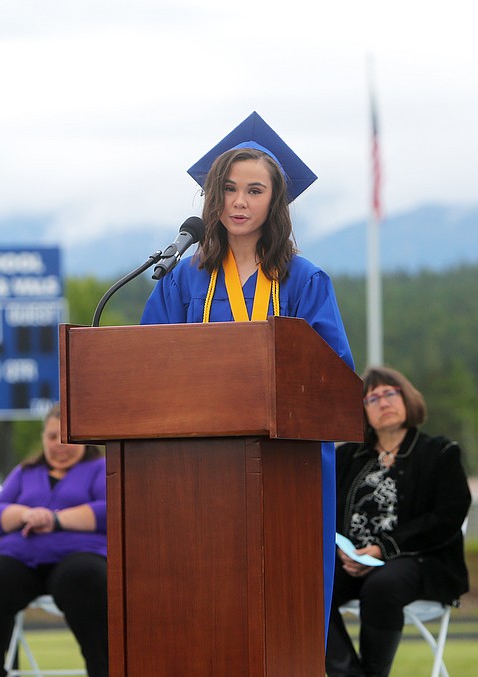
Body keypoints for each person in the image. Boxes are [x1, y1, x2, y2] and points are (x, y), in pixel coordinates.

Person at [140, 112, 355, 631]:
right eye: (229, 189)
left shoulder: (305, 280)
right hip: (196, 462)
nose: (239, 202)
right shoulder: (179, 277)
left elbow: (334, 376)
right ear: (212, 199)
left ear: (274, 202)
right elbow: (147, 362)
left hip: (287, 462)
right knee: (205, 590)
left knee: (285, 587)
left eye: (255, 190)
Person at [325, 366, 471, 677]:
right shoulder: (346, 459)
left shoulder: (440, 453)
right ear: (362, 411)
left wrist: (383, 549)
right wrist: (345, 551)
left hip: (420, 562)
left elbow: (447, 517)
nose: (382, 403)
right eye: (371, 398)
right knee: (305, 587)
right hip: (351, 561)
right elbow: (323, 511)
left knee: (383, 584)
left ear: (407, 398)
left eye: (390, 393)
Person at [0, 407, 108, 677]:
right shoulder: (25, 472)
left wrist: (55, 520)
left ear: (84, 439)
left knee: (85, 579)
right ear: (43, 437)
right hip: (22, 559)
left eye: (67, 438)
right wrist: (25, 514)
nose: (59, 445)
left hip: (79, 556)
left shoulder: (100, 468)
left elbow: (109, 510)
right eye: (52, 436)